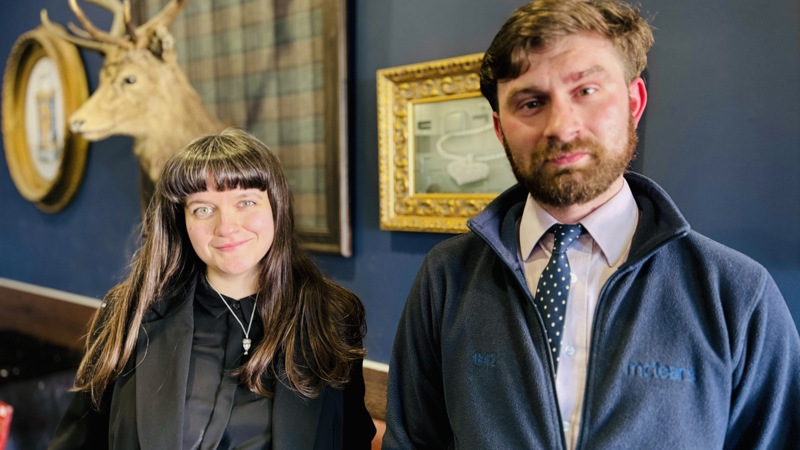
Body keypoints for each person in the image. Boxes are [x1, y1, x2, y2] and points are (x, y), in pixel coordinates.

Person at [383, 0, 800, 449]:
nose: (562, 127)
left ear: (633, 102)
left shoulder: (736, 295)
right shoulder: (446, 279)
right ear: (500, 128)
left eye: (585, 91)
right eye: (531, 102)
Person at [49, 128, 376, 449]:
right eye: (203, 209)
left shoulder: (332, 315)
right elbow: (77, 441)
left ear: (277, 206)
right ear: (182, 220)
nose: (226, 227)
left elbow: (354, 439)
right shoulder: (129, 311)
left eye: (246, 202)